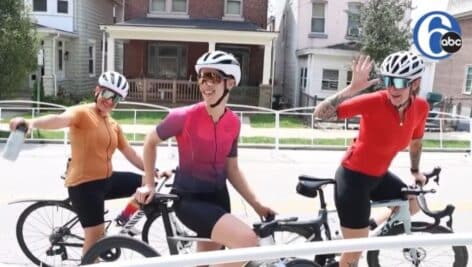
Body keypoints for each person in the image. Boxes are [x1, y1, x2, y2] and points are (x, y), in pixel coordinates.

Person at [136, 50, 275, 267]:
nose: (205, 84)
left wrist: (257, 205)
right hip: (190, 200)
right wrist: (148, 184)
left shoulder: (233, 122)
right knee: (247, 241)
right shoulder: (182, 116)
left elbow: (232, 169)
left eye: (214, 78)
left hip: (219, 199)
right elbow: (150, 141)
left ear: (230, 83)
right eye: (202, 78)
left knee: (205, 261)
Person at [9, 71, 153, 256]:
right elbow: (59, 119)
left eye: (116, 98)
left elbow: (130, 153)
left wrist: (152, 171)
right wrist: (30, 122)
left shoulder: (113, 124)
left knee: (147, 183)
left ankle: (123, 219)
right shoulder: (82, 113)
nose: (109, 101)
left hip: (106, 180)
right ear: (97, 90)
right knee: (94, 242)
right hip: (85, 185)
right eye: (107, 94)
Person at [313, 51, 428, 267]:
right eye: (388, 80)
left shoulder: (421, 107)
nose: (392, 88)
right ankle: (356, 240)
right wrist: (352, 89)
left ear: (415, 83)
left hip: (379, 176)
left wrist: (415, 171)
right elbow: (320, 114)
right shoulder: (375, 101)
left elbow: (416, 141)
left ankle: (368, 226)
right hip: (353, 179)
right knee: (354, 253)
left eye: (400, 81)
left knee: (412, 203)